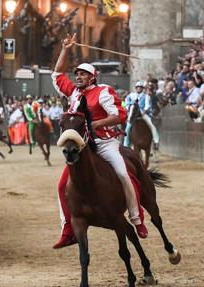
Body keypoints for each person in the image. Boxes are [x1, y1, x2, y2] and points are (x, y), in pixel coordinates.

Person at [51, 33, 148, 249]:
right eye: (77, 74)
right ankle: (68, 231)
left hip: (105, 143)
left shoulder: (103, 92)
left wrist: (95, 124)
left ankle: (136, 219)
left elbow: (119, 116)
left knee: (124, 174)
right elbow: (57, 74)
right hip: (82, 145)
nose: (78, 77)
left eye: (83, 74)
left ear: (92, 77)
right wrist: (66, 49)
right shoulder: (74, 93)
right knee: (61, 187)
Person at [123, 81, 147, 147]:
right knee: (127, 128)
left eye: (141, 87)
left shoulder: (145, 96)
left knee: (151, 126)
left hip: (142, 114)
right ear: (136, 88)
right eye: (138, 87)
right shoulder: (131, 95)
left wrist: (145, 110)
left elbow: (147, 105)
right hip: (132, 114)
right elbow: (127, 103)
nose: (139, 89)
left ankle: (153, 144)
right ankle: (126, 144)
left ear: (142, 88)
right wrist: (130, 105)